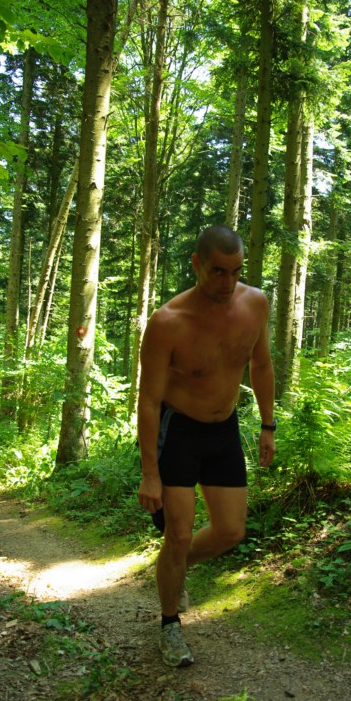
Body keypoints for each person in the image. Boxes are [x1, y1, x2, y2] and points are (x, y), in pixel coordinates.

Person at [137, 224, 276, 667]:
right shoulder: (168, 322)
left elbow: (261, 365)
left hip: (224, 430)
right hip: (179, 431)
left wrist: (268, 425)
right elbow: (148, 400)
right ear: (197, 264)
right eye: (218, 271)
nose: (227, 282)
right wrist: (150, 473)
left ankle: (172, 566)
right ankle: (170, 625)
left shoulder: (255, 304)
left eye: (236, 272)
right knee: (178, 533)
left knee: (231, 531)